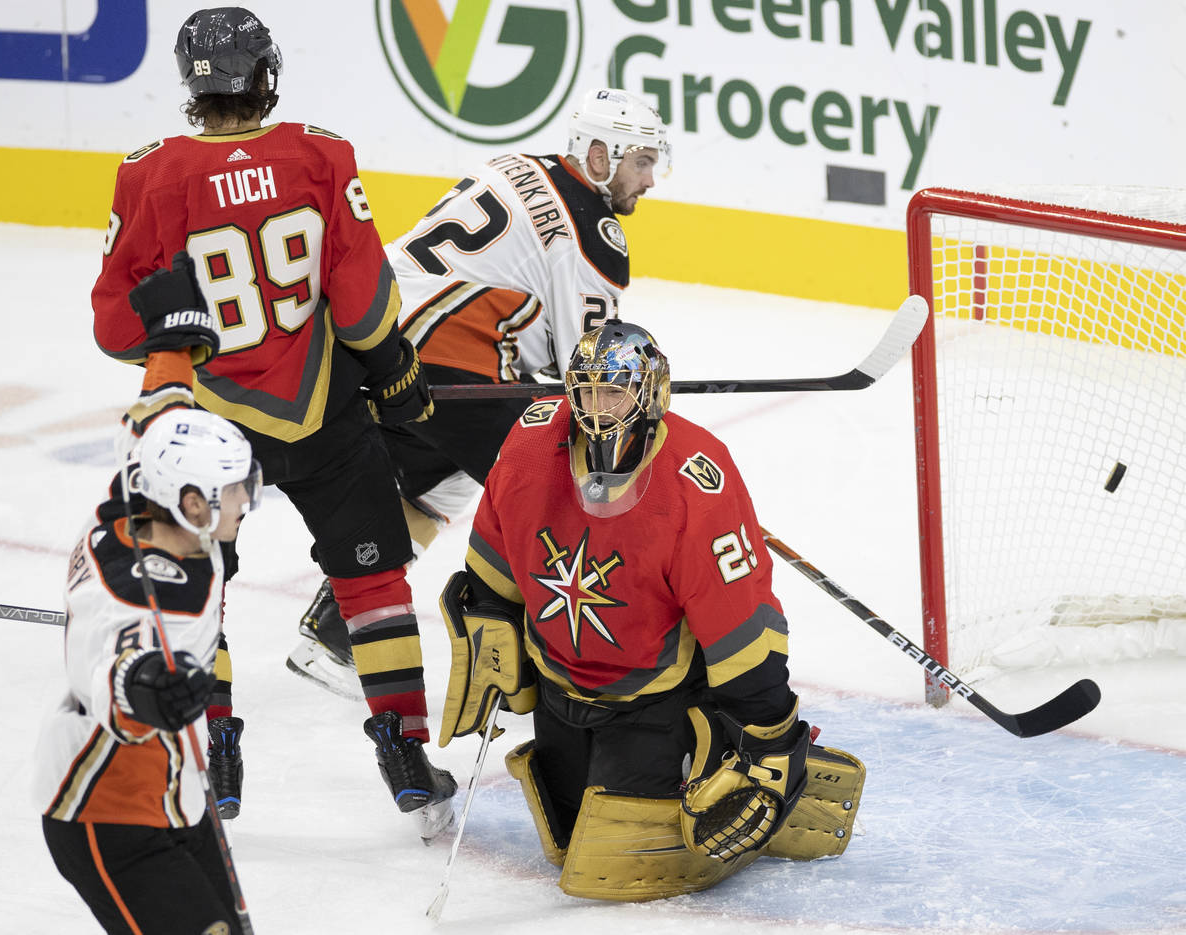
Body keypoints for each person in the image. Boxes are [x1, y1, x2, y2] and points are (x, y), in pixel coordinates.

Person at [89, 7, 455, 840]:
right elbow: (360, 306)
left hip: (209, 426)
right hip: (323, 408)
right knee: (372, 580)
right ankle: (404, 750)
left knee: (196, 579)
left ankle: (213, 749)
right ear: (264, 74)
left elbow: (115, 326)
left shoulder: (149, 175)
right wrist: (393, 368)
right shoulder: (322, 155)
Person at [434, 320, 867, 900]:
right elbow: (492, 563)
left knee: (618, 859)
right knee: (566, 839)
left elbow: (739, 622)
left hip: (657, 697)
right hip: (561, 686)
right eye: (586, 391)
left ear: (651, 393)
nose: (597, 409)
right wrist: (490, 632)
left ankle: (722, 741)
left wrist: (771, 737)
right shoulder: (531, 445)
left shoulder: (695, 479)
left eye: (613, 392)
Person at [286, 87, 672, 696]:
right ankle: (593, 659)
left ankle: (335, 636)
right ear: (600, 156)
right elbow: (587, 369)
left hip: (370, 332)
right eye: (642, 162)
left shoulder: (517, 165)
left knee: (440, 483)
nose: (650, 180)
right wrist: (641, 406)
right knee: (572, 481)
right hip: (444, 360)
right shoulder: (593, 233)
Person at [35, 409, 261, 934]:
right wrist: (146, 687)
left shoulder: (125, 509)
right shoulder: (145, 601)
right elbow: (114, 674)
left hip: (174, 795)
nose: (246, 501)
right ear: (192, 502)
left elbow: (142, 443)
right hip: (107, 811)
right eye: (233, 489)